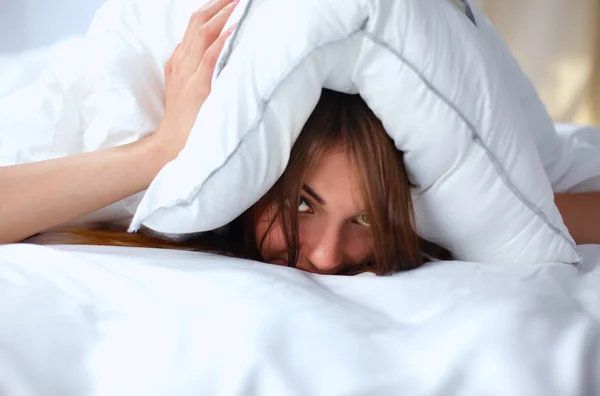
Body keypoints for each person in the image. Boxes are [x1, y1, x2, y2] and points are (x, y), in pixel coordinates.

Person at [0, 0, 597, 275]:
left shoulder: (421, 205)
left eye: (361, 220)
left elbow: (545, 211)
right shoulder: (148, 122)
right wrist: (162, 151)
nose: (324, 256)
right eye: (304, 203)